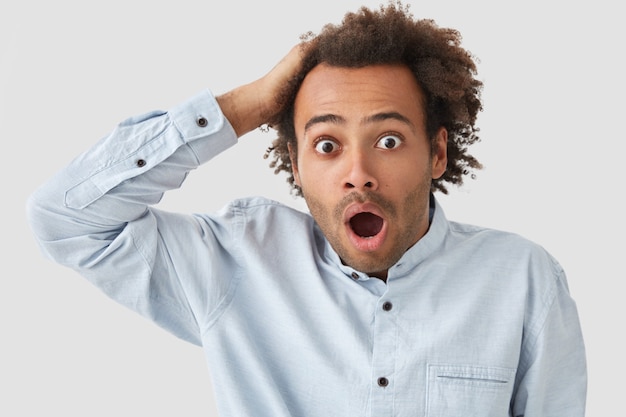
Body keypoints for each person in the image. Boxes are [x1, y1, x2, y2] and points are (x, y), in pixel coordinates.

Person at [27, 2, 586, 416]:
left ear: (437, 152)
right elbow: (66, 217)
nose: (358, 171)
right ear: (294, 165)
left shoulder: (523, 278)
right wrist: (245, 107)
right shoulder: (237, 261)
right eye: (326, 145)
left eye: (388, 140)